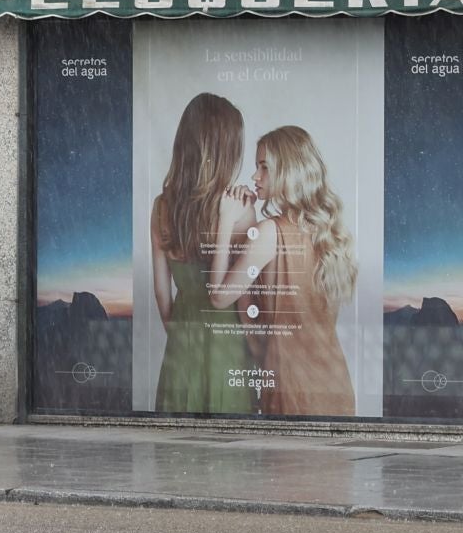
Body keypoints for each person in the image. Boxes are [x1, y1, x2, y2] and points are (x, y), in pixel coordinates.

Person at [208, 125, 358, 417]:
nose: (255, 176)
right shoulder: (329, 233)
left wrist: (227, 221)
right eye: (256, 167)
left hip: (293, 386)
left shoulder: (269, 233)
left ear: (289, 172)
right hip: (335, 383)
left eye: (264, 167)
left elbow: (218, 297)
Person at [151, 92, 255, 415]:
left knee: (176, 448)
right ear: (225, 151)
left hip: (182, 343)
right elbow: (248, 297)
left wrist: (180, 333)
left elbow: (161, 293)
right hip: (229, 345)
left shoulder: (161, 207)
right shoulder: (240, 209)